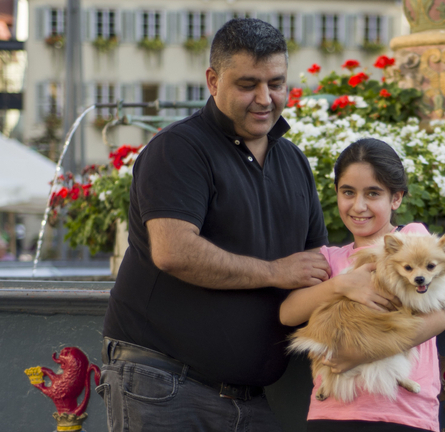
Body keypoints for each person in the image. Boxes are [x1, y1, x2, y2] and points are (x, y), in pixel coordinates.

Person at [99, 18, 331, 431]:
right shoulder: (178, 148)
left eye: (276, 83)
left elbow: (317, 266)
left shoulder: (293, 161)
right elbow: (174, 252)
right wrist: (275, 272)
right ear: (212, 80)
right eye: (247, 85)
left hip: (250, 399)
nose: (265, 98)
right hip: (163, 384)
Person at [280, 138, 445, 432]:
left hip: (404, 413)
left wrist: (362, 353)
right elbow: (288, 313)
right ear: (336, 193)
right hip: (332, 411)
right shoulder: (328, 258)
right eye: (348, 192)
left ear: (396, 198)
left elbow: (440, 318)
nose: (358, 206)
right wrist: (342, 285)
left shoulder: (413, 240)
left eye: (373, 193)